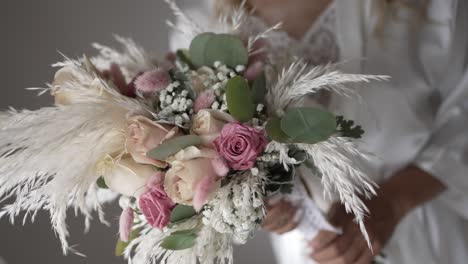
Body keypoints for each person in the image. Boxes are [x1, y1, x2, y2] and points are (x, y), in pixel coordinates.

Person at [171, 0, 468, 263]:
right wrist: (251, 207)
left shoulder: (427, 7)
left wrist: (395, 201)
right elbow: (202, 161)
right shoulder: (199, 29)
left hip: (423, 238)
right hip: (308, 249)